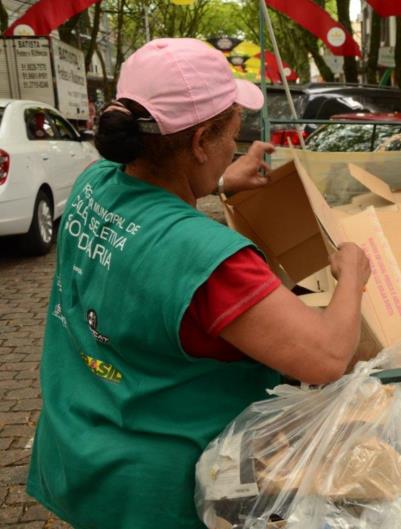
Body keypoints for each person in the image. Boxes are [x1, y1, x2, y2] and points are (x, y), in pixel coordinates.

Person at [26, 38, 371, 529]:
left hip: (80, 453)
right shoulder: (212, 264)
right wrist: (353, 274)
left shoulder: (94, 182)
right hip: (157, 496)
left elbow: (147, 211)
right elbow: (329, 356)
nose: (236, 144)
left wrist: (220, 182)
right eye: (233, 132)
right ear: (201, 139)